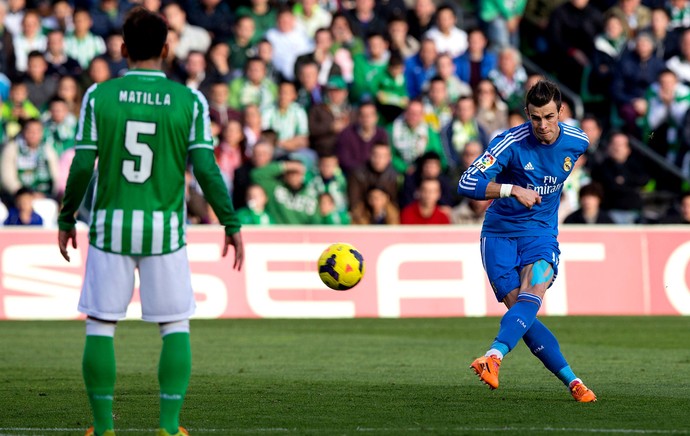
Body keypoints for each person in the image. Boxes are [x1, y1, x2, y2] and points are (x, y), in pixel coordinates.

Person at [56, 9, 244, 436]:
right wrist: (230, 223)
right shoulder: (190, 100)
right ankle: (169, 426)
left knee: (101, 325)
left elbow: (84, 163)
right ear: (166, 49)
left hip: (110, 228)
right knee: (174, 324)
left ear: (122, 49)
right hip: (165, 232)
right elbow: (206, 169)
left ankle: (103, 429)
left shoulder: (98, 95)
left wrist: (67, 215)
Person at [457, 80, 597, 402]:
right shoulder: (509, 142)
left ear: (560, 112)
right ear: (527, 115)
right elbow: (467, 182)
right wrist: (511, 189)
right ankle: (573, 381)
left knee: (533, 292)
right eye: (535, 118)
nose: (543, 126)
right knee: (522, 315)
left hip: (540, 234)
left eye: (549, 117)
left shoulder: (578, 141)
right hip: (499, 235)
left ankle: (493, 357)